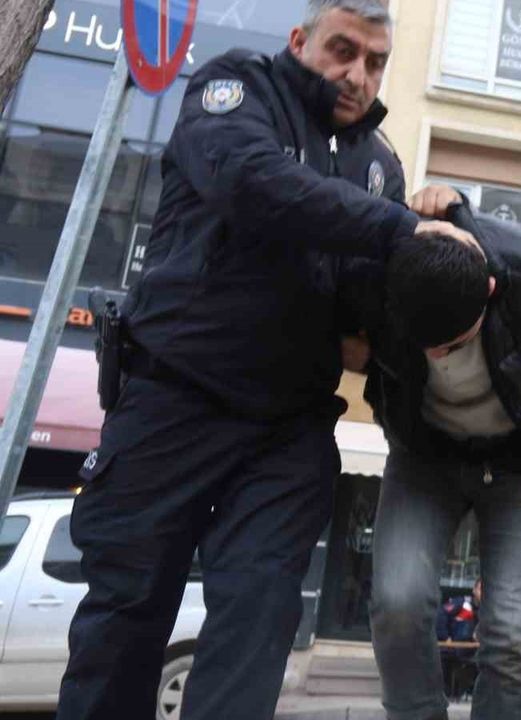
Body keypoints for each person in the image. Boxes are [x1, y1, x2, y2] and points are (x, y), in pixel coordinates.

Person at [54, 3, 438, 719]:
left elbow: (370, 300)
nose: (358, 74)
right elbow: (251, 183)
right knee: (127, 616)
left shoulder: (377, 165)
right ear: (299, 41)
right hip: (175, 401)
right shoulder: (237, 87)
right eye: (343, 50)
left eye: (376, 61)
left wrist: (446, 240)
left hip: (287, 429)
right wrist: (400, 227)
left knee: (259, 621)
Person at [341, 194, 521, 720]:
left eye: (453, 343)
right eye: (426, 345)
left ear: (490, 290)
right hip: (424, 457)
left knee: (511, 632)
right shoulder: (373, 277)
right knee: (397, 604)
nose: (437, 356)